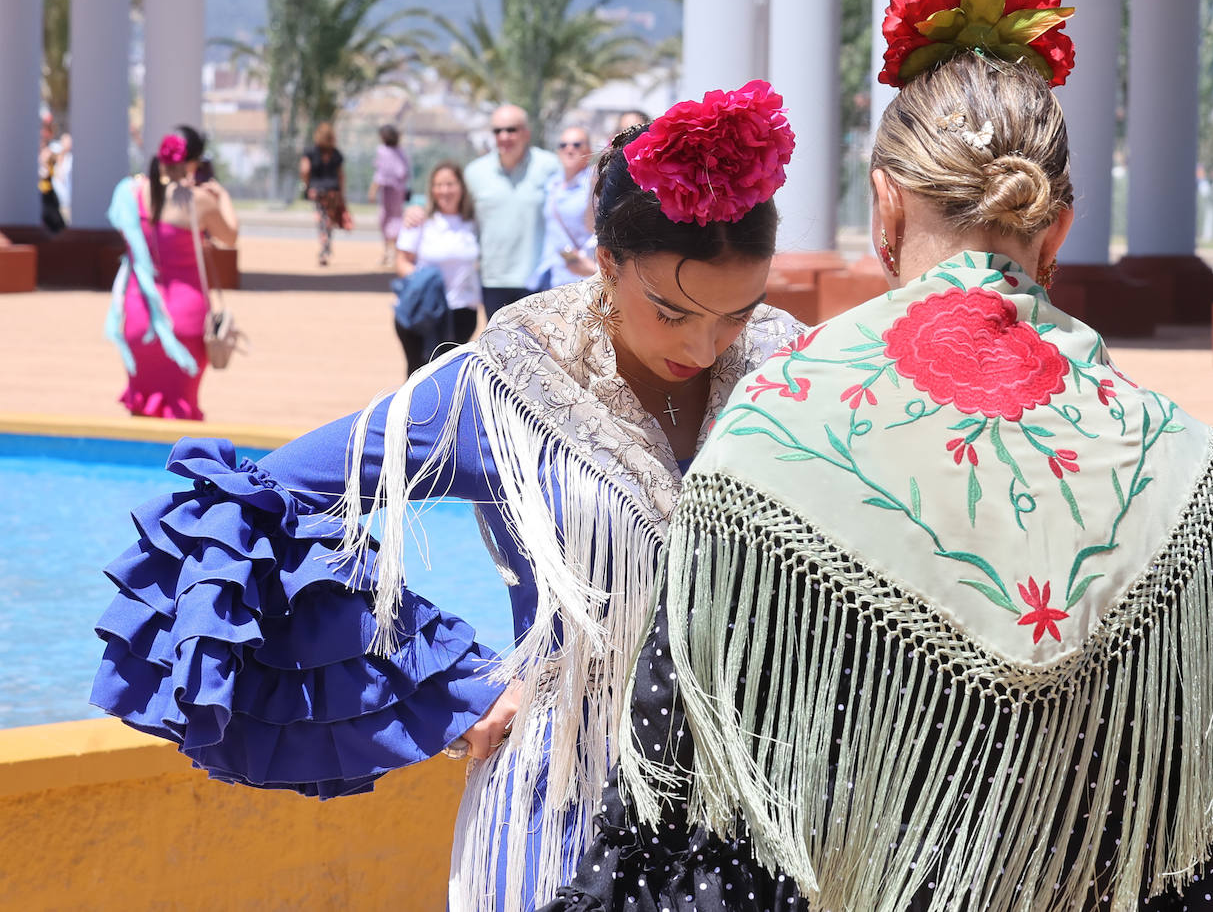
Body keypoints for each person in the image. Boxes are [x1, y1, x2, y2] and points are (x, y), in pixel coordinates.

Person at [546, 0, 1213, 912]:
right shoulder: (1188, 476)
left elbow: (684, 828)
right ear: (1059, 231)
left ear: (883, 208)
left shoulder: (769, 450)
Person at [89, 80, 801, 912]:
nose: (707, 343)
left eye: (736, 312)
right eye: (674, 311)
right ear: (607, 261)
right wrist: (442, 681)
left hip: (754, 824)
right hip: (558, 821)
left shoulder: (787, 368)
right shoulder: (504, 383)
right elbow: (249, 503)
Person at [104, 125, 239, 420]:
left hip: (139, 314)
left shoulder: (134, 192)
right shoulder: (198, 200)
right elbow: (230, 236)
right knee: (181, 410)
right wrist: (222, 195)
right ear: (192, 162)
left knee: (141, 406)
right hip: (185, 317)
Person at [464, 104, 560, 316]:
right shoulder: (474, 173)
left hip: (539, 280)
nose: (504, 136)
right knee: (498, 347)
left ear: (526, 133)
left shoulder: (550, 166)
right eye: (498, 131)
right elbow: (454, 212)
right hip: (493, 280)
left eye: (511, 130)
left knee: (539, 348)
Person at [393, 161, 481, 376]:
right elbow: (401, 261)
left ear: (461, 187)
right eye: (438, 185)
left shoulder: (473, 222)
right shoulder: (421, 220)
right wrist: (424, 282)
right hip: (424, 312)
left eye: (450, 184)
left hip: (461, 311)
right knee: (418, 375)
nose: (444, 190)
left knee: (448, 378)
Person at [526, 125, 596, 291]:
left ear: (589, 150)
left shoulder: (593, 185)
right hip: (549, 273)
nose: (569, 149)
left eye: (577, 145)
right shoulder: (552, 183)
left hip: (579, 276)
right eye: (563, 145)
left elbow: (595, 226)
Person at [300, 121, 350, 266]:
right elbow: (341, 175)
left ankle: (324, 249)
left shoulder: (310, 151)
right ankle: (326, 247)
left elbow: (304, 170)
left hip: (317, 191)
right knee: (328, 220)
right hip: (333, 191)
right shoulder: (336, 154)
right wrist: (342, 193)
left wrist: (306, 184)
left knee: (322, 219)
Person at [369, 123, 410, 267]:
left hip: (389, 191)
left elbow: (380, 174)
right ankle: (391, 253)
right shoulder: (401, 152)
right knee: (395, 219)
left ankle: (390, 252)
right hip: (399, 191)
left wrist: (373, 190)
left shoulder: (383, 151)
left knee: (387, 219)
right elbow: (405, 173)